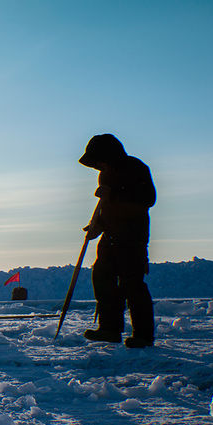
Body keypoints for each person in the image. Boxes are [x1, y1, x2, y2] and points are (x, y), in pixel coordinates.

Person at [79, 134, 156, 348]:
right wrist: (97, 225)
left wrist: (112, 194)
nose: (98, 166)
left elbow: (147, 199)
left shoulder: (136, 168)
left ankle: (143, 335)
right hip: (110, 236)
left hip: (132, 237)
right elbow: (107, 207)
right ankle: (109, 329)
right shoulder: (105, 174)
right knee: (102, 279)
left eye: (99, 160)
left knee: (133, 285)